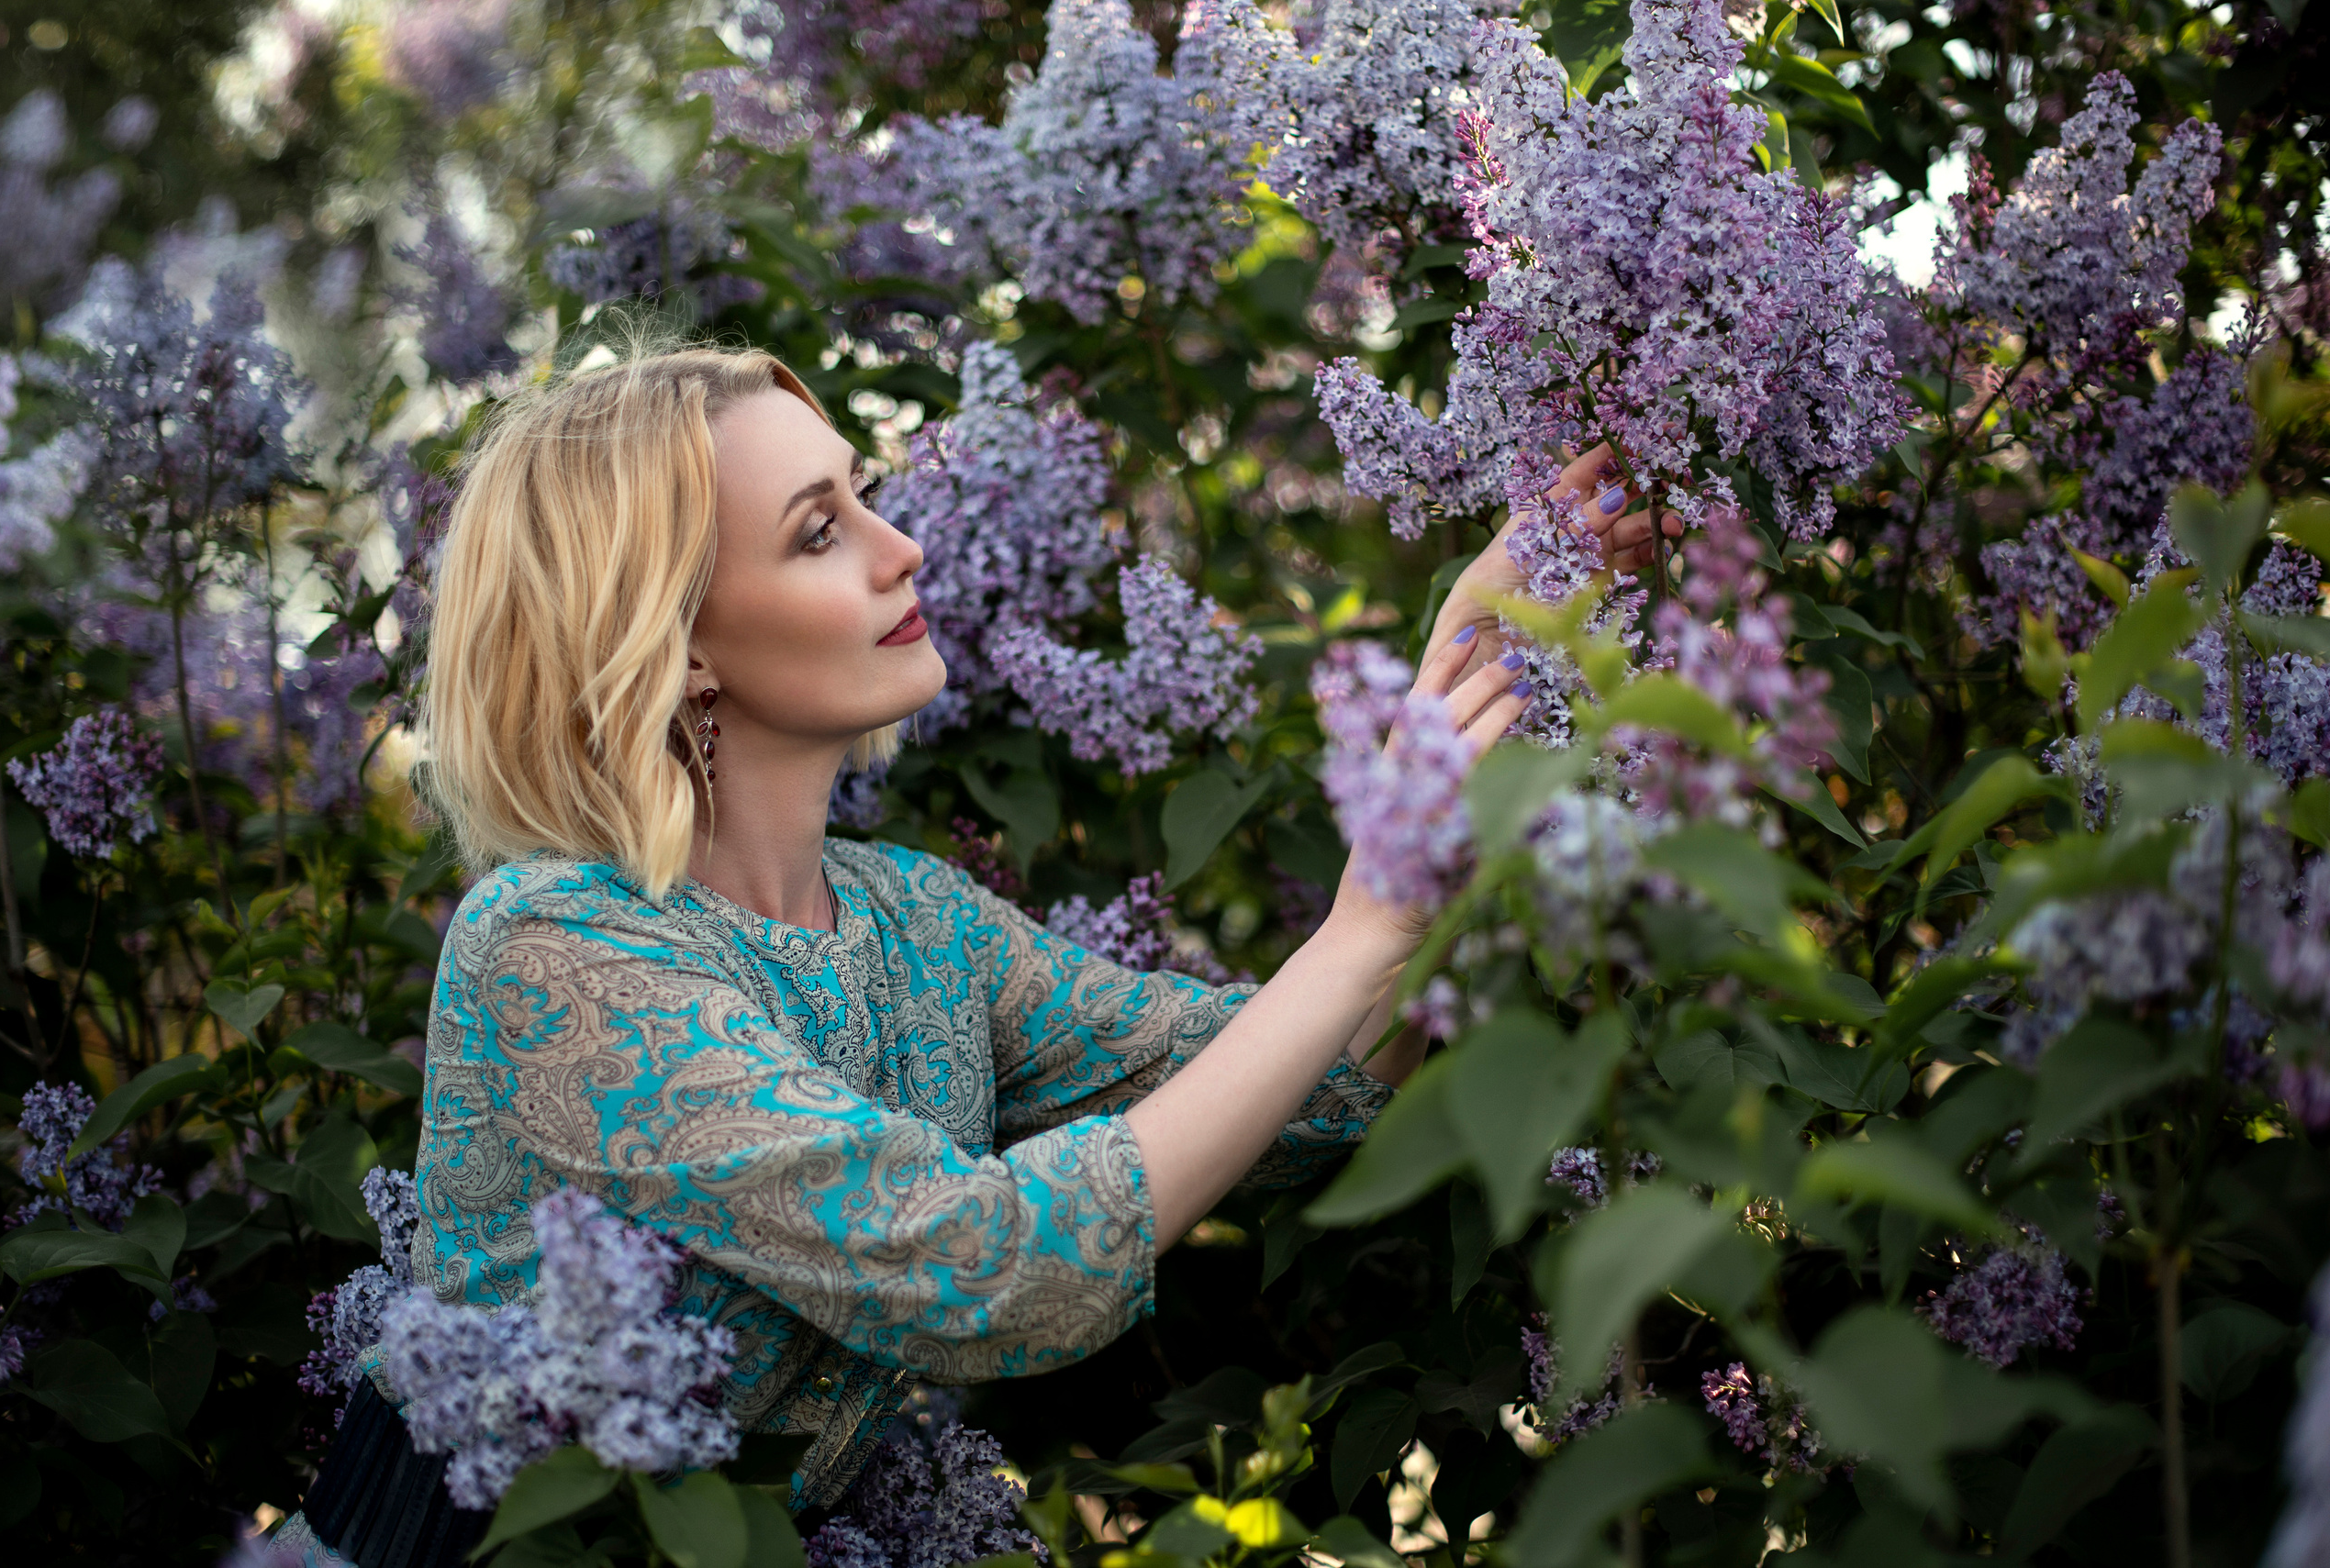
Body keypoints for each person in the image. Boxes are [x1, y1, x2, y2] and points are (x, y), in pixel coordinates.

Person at [282, 341, 1668, 1568]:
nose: (901, 548)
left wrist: (1459, 686)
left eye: (864, 496)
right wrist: (1362, 929)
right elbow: (983, 1268)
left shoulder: (914, 923)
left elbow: (1301, 1087)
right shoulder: (552, 948)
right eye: (819, 532)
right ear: (678, 642)